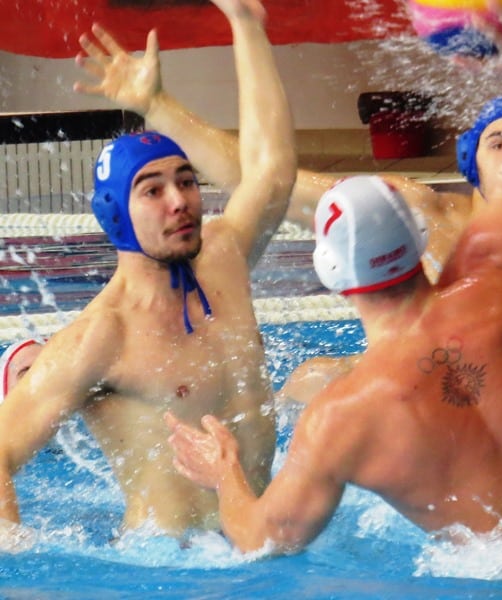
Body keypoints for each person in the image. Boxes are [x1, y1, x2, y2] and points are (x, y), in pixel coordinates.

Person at [165, 93, 502, 556]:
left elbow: (263, 539)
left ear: (329, 272)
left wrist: (225, 473)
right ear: (420, 241)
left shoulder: (338, 420)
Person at [71, 23, 502, 407]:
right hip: (382, 416)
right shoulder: (406, 210)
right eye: (499, 142)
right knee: (313, 380)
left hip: (469, 439)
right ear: (471, 162)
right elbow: (258, 180)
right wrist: (158, 105)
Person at [0, 0, 296, 542]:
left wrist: (246, 24)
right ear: (116, 214)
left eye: (186, 180)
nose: (180, 200)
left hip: (262, 541)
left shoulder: (223, 257)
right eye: (152, 191)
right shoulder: (100, 338)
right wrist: (13, 550)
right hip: (171, 564)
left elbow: (273, 174)